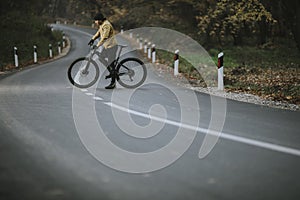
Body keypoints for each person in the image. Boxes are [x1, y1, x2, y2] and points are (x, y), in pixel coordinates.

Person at [88, 12, 118, 89]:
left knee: (111, 64)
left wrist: (97, 46)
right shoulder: (102, 24)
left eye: (96, 21)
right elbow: (99, 33)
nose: (95, 22)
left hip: (112, 46)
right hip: (106, 46)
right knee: (101, 58)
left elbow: (104, 37)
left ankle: (113, 82)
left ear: (100, 20)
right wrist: (93, 39)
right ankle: (111, 72)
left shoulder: (107, 25)